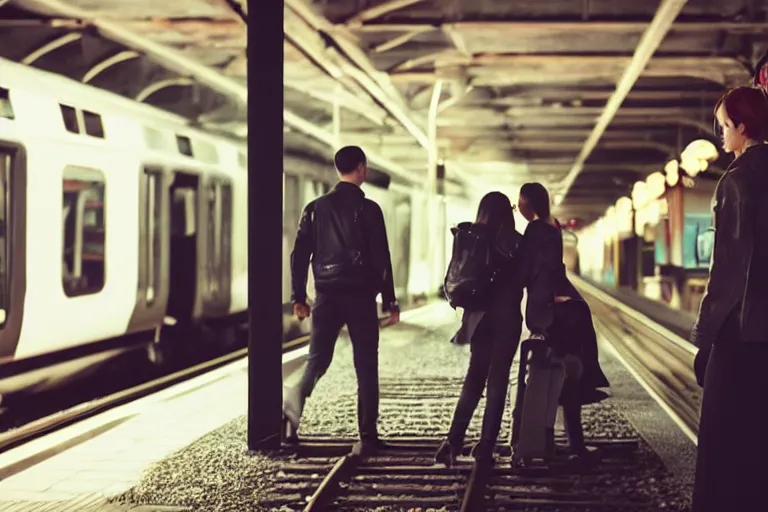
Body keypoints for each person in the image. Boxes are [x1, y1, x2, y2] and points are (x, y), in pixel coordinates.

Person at [284, 145, 400, 457]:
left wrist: (298, 297)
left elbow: (299, 256)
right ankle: (367, 436)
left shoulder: (315, 208)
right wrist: (390, 300)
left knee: (317, 360)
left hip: (326, 297)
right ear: (361, 168)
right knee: (366, 365)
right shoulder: (370, 210)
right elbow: (382, 258)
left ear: (338, 170)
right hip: (361, 298)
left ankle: (294, 401)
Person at [690, 86, 768, 512]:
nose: (721, 135)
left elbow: (729, 269)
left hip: (742, 329)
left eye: (724, 126)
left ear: (742, 127)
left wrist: (705, 335)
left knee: (725, 436)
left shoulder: (736, 181)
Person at [515, 182, 609, 460]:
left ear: (529, 204)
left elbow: (533, 274)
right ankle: (573, 443)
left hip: (548, 314)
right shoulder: (552, 229)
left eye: (520, 201)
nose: (518, 205)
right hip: (558, 310)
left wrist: (544, 305)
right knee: (569, 376)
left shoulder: (535, 230)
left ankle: (544, 442)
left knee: (548, 379)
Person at [435, 191, 524, 466]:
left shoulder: (471, 237)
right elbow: (527, 278)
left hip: (479, 318)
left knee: (474, 380)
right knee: (498, 382)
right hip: (507, 318)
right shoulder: (517, 242)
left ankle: (452, 442)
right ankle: (486, 447)